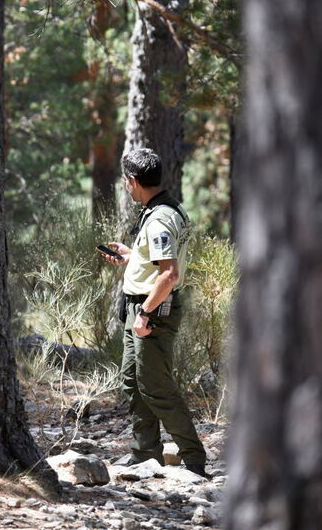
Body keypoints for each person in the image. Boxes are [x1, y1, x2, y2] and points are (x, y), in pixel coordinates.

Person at [100, 148, 208, 478]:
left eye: (125, 181)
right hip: (143, 305)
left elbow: (170, 274)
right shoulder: (161, 209)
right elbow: (159, 261)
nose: (125, 186)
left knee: (155, 385)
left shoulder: (160, 218)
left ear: (133, 181)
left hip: (153, 308)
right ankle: (145, 454)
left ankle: (193, 459)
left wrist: (145, 314)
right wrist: (133, 256)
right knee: (134, 381)